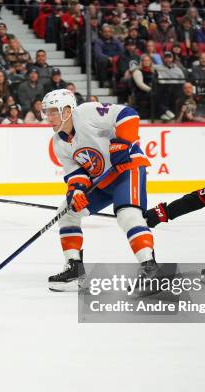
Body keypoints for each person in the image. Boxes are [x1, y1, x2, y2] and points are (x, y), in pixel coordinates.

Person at [42, 89, 157, 292]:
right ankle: (74, 268)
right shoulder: (58, 142)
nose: (48, 117)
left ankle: (151, 270)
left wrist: (123, 143)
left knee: (128, 215)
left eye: (53, 111)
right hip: (100, 182)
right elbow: (76, 173)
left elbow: (127, 114)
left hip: (126, 169)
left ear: (67, 110)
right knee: (67, 212)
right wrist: (76, 192)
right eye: (47, 112)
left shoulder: (86, 113)